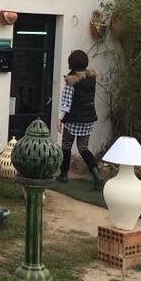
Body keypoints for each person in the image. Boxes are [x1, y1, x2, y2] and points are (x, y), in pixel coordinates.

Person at [57, 50, 102, 187]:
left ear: (71, 63)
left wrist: (61, 119)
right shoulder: (91, 77)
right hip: (88, 118)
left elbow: (66, 102)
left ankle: (64, 175)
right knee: (83, 148)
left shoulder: (71, 80)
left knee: (66, 146)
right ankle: (96, 175)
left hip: (73, 119)